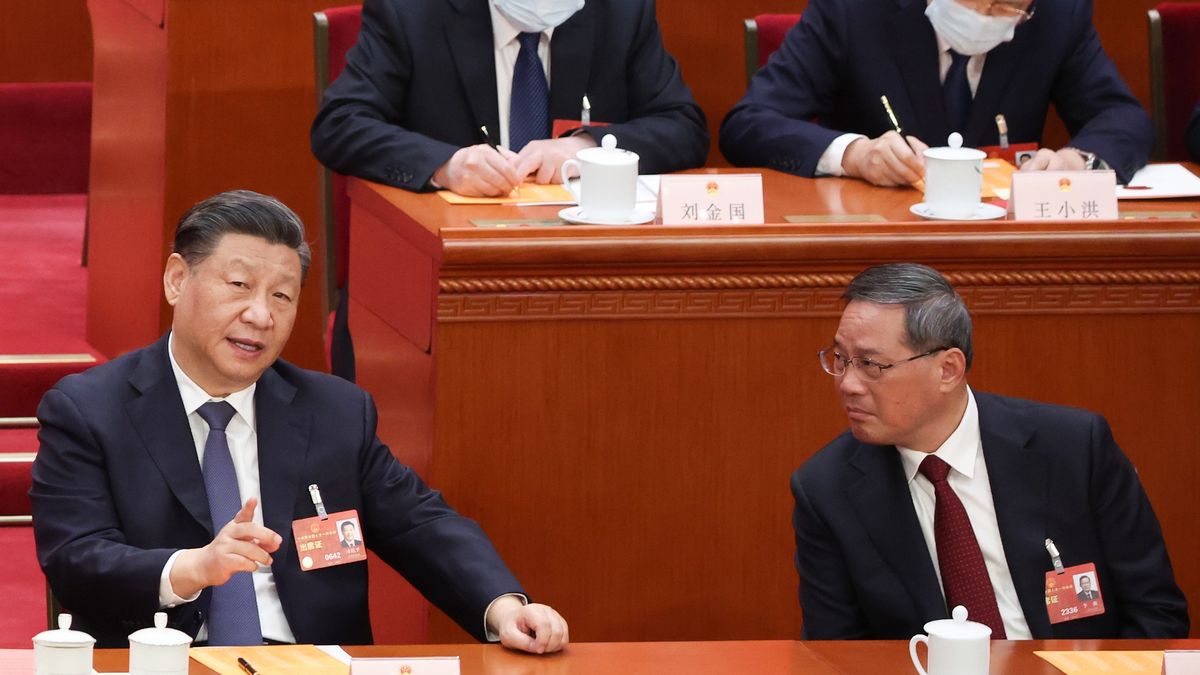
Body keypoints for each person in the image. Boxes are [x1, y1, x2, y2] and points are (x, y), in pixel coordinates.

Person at [31, 190, 569, 651]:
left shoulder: (333, 410)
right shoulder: (89, 410)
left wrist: (501, 605)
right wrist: (190, 569)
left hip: (312, 661)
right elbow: (75, 557)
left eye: (282, 296)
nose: (261, 315)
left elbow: (419, 523)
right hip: (162, 659)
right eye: (239, 286)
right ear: (177, 280)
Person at [791, 263, 1188, 640]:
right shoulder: (828, 490)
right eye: (841, 359)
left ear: (948, 369)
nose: (848, 384)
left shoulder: (1074, 447)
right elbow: (838, 653)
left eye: (871, 364)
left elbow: (1156, 613)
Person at [720, 0, 1153, 186]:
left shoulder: (1056, 12)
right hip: (880, 248)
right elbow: (751, 122)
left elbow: (1121, 117)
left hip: (1003, 242)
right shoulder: (854, 9)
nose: (990, 16)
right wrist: (853, 155)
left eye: (1008, 8)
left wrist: (1078, 160)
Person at [310, 0, 709, 197]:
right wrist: (445, 165)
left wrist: (585, 147)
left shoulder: (617, 12)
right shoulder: (413, 11)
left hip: (586, 261)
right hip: (444, 268)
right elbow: (340, 124)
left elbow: (683, 126)